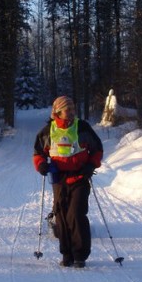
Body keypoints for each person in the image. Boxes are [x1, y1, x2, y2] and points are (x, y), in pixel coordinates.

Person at [33, 96, 103, 268]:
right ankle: (67, 254)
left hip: (80, 176)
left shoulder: (83, 127)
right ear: (58, 112)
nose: (71, 113)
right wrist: (41, 165)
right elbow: (38, 153)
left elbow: (97, 149)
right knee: (61, 216)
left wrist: (90, 165)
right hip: (58, 178)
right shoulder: (48, 130)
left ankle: (80, 255)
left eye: (73, 109)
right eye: (67, 110)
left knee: (76, 214)